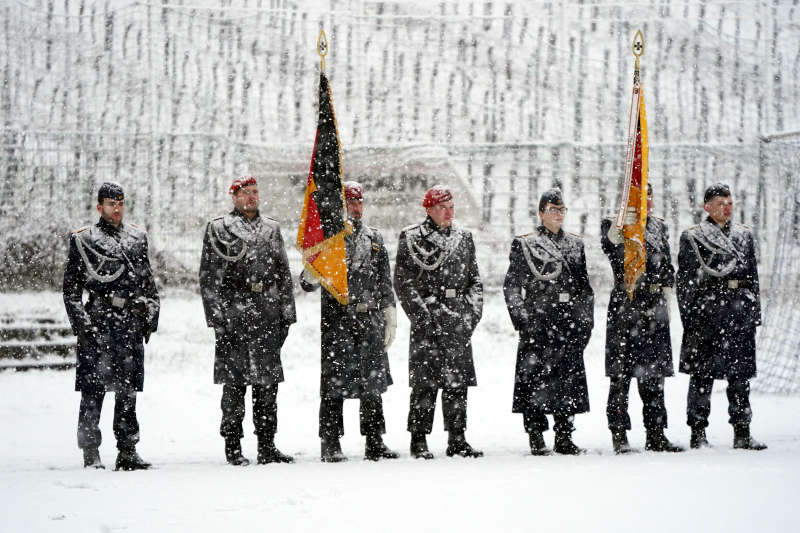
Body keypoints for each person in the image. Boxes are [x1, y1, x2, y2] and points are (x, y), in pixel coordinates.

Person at [199, 176, 297, 466]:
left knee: (268, 386)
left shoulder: (272, 228)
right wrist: (217, 319)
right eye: (245, 193)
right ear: (234, 197)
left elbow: (283, 274)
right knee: (235, 385)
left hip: (267, 313)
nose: (251, 197)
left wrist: (287, 315)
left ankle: (267, 445)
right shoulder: (219, 229)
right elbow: (208, 278)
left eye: (255, 192)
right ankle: (233, 446)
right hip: (234, 315)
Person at [62, 181, 160, 471]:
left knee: (128, 391)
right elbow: (71, 290)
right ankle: (90, 450)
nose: (116, 209)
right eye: (110, 204)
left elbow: (148, 283)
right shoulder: (84, 240)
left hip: (129, 322)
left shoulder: (137, 238)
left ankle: (127, 449)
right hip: (100, 321)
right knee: (93, 389)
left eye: (120, 204)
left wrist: (150, 317)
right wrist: (84, 326)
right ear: (99, 206)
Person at [299, 181, 399, 462]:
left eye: (358, 202)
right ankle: (330, 441)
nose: (355, 208)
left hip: (370, 319)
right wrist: (315, 267)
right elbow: (306, 284)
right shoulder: (328, 239)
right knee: (334, 385)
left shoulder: (374, 238)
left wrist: (390, 315)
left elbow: (383, 282)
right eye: (349, 202)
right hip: (338, 321)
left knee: (373, 384)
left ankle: (374, 440)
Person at [394, 185, 483, 459]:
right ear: (429, 209)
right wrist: (422, 316)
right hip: (428, 316)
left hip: (457, 316)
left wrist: (470, 315)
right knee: (424, 382)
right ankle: (418, 439)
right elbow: (403, 282)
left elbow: (475, 281)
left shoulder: (464, 237)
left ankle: (457, 438)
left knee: (457, 382)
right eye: (443, 207)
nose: (448, 212)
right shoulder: (411, 238)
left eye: (451, 207)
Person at [503, 188, 593, 455]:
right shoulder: (526, 243)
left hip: (568, 321)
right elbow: (511, 286)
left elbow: (584, 288)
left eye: (562, 210)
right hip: (539, 321)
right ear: (541, 213)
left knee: (567, 380)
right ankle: (536, 436)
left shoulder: (575, 244)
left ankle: (564, 435)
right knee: (534, 380)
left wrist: (585, 320)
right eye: (553, 210)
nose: (558, 215)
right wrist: (522, 319)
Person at [677, 183, 767, 450]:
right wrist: (691, 319)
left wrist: (754, 312)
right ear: (706, 207)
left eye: (729, 203)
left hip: (738, 312)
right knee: (702, 377)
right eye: (720, 203)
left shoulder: (744, 235)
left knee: (740, 378)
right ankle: (698, 433)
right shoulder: (693, 236)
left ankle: (742, 431)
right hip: (707, 314)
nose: (726, 208)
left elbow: (752, 277)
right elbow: (685, 282)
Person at [601, 183, 684, 454]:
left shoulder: (659, 226)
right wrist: (623, 222)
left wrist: (667, 300)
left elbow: (668, 267)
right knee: (621, 377)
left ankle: (656, 433)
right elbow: (611, 248)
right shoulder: (615, 225)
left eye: (648, 196)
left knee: (654, 377)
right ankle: (619, 434)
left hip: (654, 306)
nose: (646, 201)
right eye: (639, 196)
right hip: (628, 305)